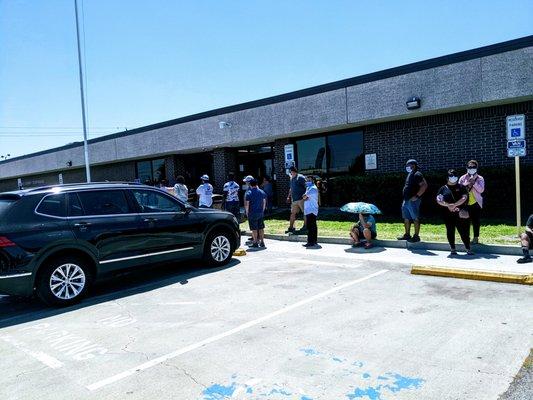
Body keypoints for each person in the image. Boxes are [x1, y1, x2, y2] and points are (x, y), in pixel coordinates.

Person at [436, 169, 474, 256]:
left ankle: (468, 248)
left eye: (455, 176)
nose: (453, 178)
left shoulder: (461, 187)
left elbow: (464, 197)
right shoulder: (443, 189)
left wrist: (455, 205)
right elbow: (439, 200)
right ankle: (453, 249)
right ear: (447, 178)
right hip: (447, 214)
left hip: (460, 213)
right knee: (450, 230)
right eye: (451, 176)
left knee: (464, 231)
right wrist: (448, 205)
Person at [397, 159, 427, 243]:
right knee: (406, 218)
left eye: (408, 165)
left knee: (415, 218)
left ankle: (416, 236)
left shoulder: (417, 174)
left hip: (413, 200)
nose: (407, 167)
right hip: (406, 200)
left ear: (413, 165)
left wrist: (417, 196)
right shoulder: (410, 174)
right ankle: (407, 235)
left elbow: (424, 185)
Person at [459, 160, 485, 244]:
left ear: (476, 168)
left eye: (473, 167)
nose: (471, 169)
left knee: (476, 221)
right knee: (465, 221)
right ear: (467, 168)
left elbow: (481, 190)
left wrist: (474, 183)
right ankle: (466, 237)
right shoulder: (463, 178)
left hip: (475, 203)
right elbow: (459, 189)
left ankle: (476, 237)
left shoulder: (480, 178)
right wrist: (467, 183)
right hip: (465, 202)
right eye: (470, 167)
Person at [244, 178, 267, 248]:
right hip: (260, 212)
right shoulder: (262, 192)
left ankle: (255, 242)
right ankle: (262, 242)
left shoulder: (248, 193)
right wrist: (262, 210)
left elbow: (247, 204)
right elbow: (264, 202)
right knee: (261, 228)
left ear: (250, 185)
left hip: (252, 213)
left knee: (254, 229)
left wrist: (247, 212)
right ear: (257, 184)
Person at [285, 166, 307, 234]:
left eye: (291, 171)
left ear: (293, 171)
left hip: (301, 199)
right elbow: (291, 189)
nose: (291, 173)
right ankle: (291, 227)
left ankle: (305, 227)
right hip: (294, 200)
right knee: (293, 213)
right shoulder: (291, 179)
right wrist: (288, 197)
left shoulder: (300, 177)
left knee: (305, 213)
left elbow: (306, 186)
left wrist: (306, 195)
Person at [302, 176, 319, 248]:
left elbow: (304, 197)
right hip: (310, 209)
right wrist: (305, 197)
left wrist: (305, 197)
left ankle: (310, 242)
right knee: (312, 226)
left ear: (312, 181)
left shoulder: (313, 188)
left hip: (311, 210)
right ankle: (313, 241)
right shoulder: (309, 188)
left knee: (310, 226)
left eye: (309, 180)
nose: (307, 181)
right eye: (306, 180)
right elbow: (305, 197)